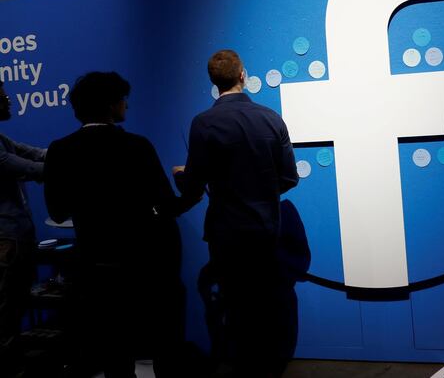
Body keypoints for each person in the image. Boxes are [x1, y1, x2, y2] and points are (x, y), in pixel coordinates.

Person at [43, 72, 184, 378]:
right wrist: (192, 191)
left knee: (113, 355)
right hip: (142, 264)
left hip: (94, 265)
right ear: (110, 105)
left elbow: (56, 210)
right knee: (160, 344)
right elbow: (166, 205)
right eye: (123, 100)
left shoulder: (60, 149)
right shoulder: (137, 146)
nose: (127, 107)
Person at [173, 49, 299, 378]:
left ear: (213, 82)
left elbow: (194, 185)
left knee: (236, 307)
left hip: (225, 233)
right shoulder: (272, 118)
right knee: (266, 305)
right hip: (265, 230)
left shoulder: (203, 123)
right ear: (243, 75)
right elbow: (289, 178)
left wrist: (181, 175)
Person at [0, 81, 46, 378]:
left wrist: (74, 151)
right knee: (3, 315)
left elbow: (37, 154)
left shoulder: (1, 138)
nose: (8, 99)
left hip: (15, 238)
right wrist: (80, 163)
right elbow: (28, 167)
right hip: (5, 242)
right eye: (1, 95)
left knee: (12, 311)